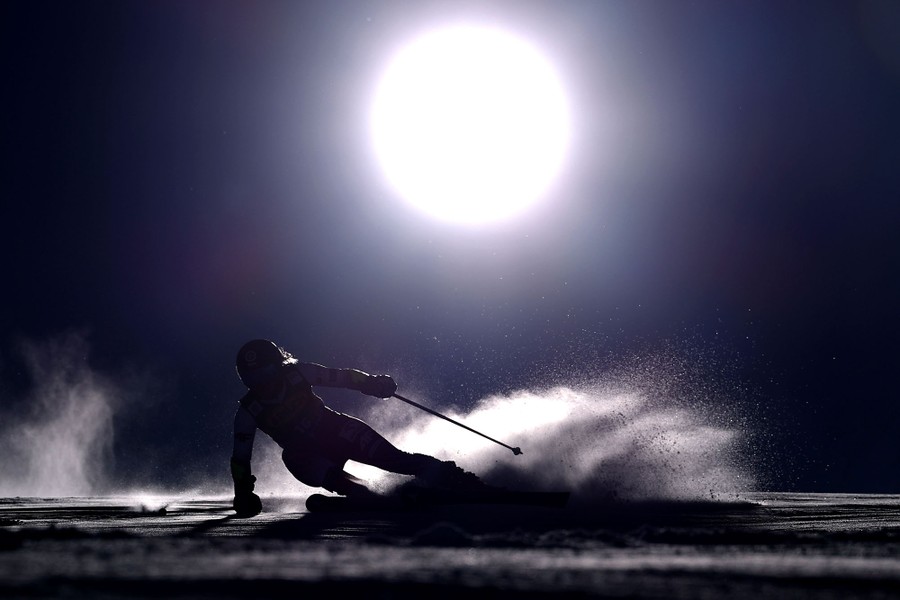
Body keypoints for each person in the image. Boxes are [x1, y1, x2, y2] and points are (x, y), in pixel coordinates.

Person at [230, 339, 485, 517]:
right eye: (252, 378)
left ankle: (452, 477)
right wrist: (243, 493)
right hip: (309, 454)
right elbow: (241, 459)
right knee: (295, 457)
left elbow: (341, 377)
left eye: (266, 373)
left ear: (279, 365)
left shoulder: (299, 374)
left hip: (336, 430)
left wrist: (372, 384)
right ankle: (359, 491)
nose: (262, 383)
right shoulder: (248, 412)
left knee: (396, 460)